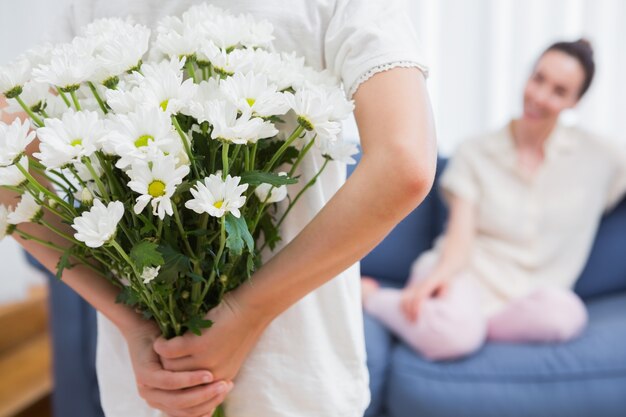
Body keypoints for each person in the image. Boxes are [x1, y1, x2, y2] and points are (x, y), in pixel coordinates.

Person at [0, 0, 437, 416]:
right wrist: (246, 313)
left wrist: (134, 324)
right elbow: (404, 162)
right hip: (296, 375)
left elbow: (10, 174)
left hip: (156, 377)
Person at [361, 39, 626, 362]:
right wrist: (439, 276)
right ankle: (373, 297)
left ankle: (466, 330)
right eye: (538, 79)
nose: (539, 96)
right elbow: (459, 237)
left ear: (575, 102)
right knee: (453, 332)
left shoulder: (602, 159)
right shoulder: (475, 152)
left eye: (559, 91)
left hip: (528, 301)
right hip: (464, 279)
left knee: (565, 315)